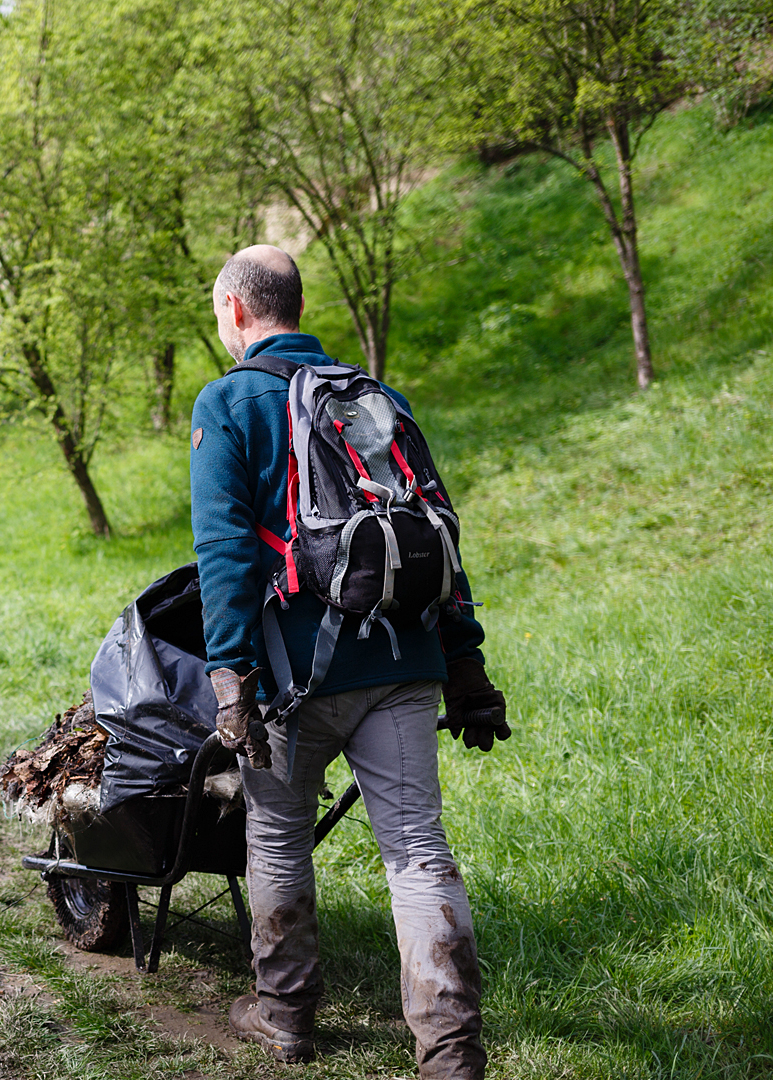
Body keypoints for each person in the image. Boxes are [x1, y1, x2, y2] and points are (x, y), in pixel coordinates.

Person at [190, 246, 509, 1080]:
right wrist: (466, 667)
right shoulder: (375, 397)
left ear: (234, 311)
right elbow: (438, 534)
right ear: (297, 303)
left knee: (281, 838)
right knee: (416, 851)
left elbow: (224, 554)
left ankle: (285, 1017)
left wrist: (232, 680)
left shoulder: (229, 403)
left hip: (296, 676)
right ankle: (450, 1053)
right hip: (405, 660)